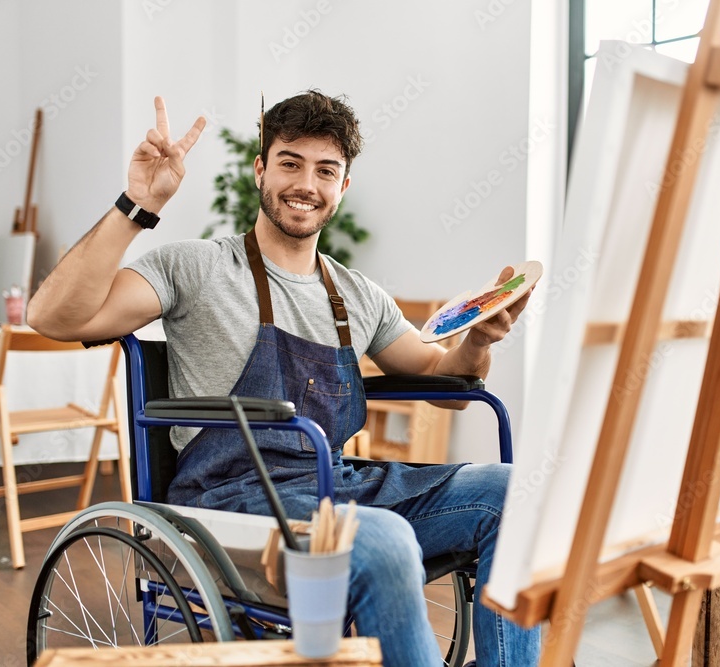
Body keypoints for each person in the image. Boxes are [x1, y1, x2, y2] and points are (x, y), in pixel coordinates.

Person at [27, 90, 540, 666]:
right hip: (229, 502)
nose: (306, 184)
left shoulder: (358, 295)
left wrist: (476, 339)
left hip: (333, 487)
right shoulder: (193, 267)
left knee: (521, 494)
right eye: (290, 162)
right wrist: (137, 204)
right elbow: (52, 318)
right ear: (260, 170)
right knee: (381, 539)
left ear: (342, 188)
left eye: (326, 170)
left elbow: (446, 382)